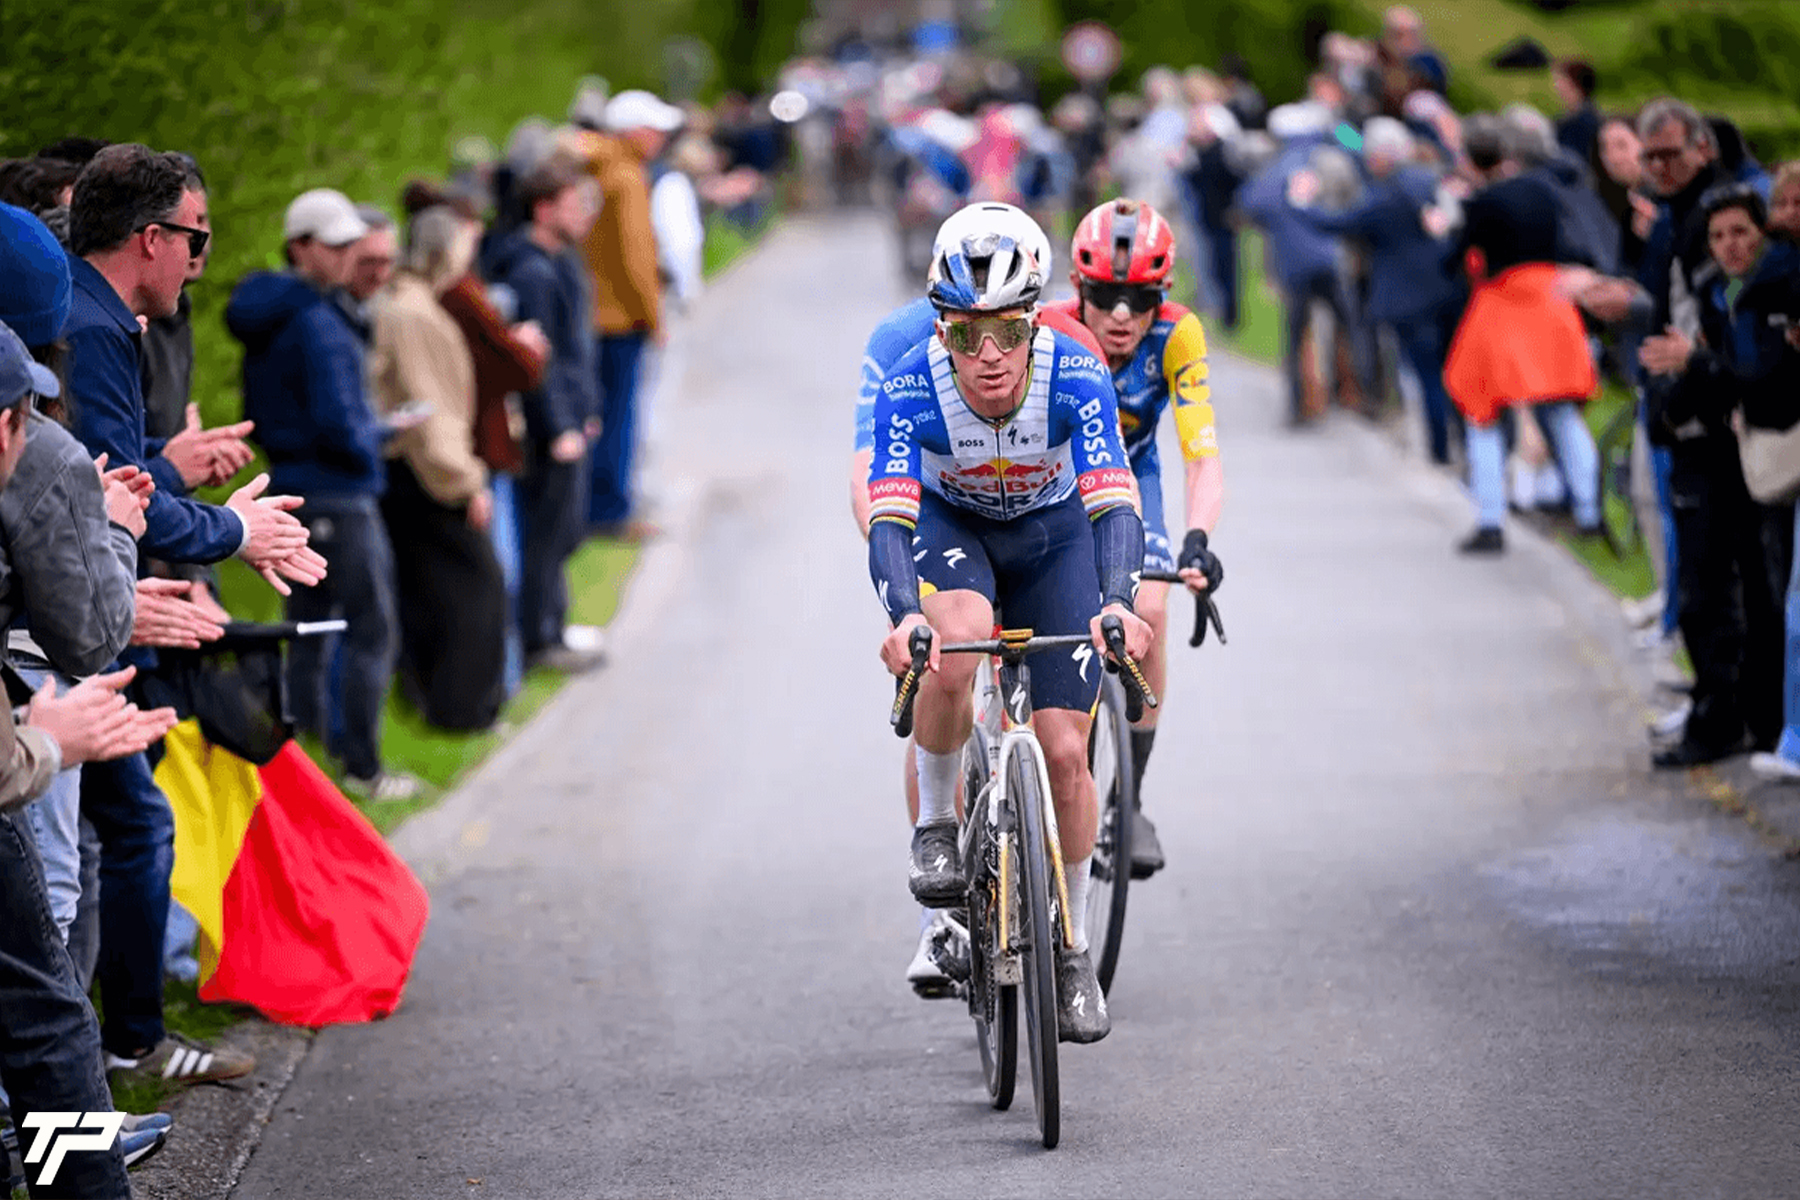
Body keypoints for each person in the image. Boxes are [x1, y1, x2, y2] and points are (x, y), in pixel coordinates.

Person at [65, 144, 323, 1088]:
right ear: (151, 237)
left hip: (82, 608)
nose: (201, 262)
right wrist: (234, 531)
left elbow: (119, 481)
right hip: (62, 625)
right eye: (196, 239)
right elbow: (106, 495)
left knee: (101, 836)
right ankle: (105, 1056)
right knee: (103, 840)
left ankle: (95, 1055)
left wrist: (177, 480)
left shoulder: (93, 317)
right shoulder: (93, 326)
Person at [867, 216, 1152, 1044]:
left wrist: (1118, 601)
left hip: (1054, 537)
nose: (989, 354)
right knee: (954, 646)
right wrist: (904, 615)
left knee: (1065, 752)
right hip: (954, 529)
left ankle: (1072, 949)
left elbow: (1114, 504)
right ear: (941, 331)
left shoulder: (1077, 374)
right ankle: (936, 826)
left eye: (1008, 331)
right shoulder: (910, 387)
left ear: (1035, 322)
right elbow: (890, 520)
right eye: (967, 333)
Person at [1043, 198, 1223, 878]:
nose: (1121, 315)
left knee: (1150, 609)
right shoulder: (1051, 328)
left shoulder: (1178, 334)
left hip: (1132, 473)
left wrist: (1198, 538)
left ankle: (1130, 800)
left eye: (1141, 298)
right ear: (1078, 288)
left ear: (1162, 296)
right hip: (1053, 479)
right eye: (1105, 296)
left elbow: (1201, 455)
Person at [226, 187, 415, 802]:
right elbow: (339, 420)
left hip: (295, 488)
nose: (345, 256)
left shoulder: (282, 311)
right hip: (339, 492)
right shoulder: (316, 319)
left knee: (308, 628)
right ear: (300, 247)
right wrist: (376, 440)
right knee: (369, 627)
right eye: (334, 246)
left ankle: (303, 767)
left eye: (349, 244)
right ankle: (362, 767)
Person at [1640, 185, 1797, 767]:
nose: (1730, 246)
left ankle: (1761, 723)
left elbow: (1756, 379)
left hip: (1766, 457)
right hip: (1723, 451)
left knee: (1762, 596)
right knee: (1722, 590)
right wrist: (1672, 409)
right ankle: (1747, 719)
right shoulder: (1719, 291)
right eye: (1718, 237)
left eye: (1741, 233)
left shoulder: (1774, 289)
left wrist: (1699, 364)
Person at [369, 206, 507, 731]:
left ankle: (432, 702)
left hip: (408, 468)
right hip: (425, 472)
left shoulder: (405, 305)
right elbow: (432, 409)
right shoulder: (414, 314)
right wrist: (466, 481)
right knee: (474, 590)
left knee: (430, 590)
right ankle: (463, 710)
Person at [488, 153, 605, 671]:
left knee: (564, 530)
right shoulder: (530, 271)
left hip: (572, 419)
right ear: (543, 209)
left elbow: (574, 351)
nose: (584, 213)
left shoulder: (558, 261)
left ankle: (555, 625)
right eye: (573, 204)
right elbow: (540, 361)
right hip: (549, 431)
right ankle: (540, 639)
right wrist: (559, 425)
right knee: (546, 534)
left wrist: (586, 409)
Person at [1288, 118, 1460, 463]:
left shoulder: (1385, 197)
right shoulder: (1427, 181)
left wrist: (1301, 203)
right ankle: (1458, 440)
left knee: (1421, 373)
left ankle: (1437, 448)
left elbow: (1337, 223)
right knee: (1448, 369)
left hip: (1407, 298)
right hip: (1446, 287)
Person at [581, 90, 680, 536]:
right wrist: (654, 315)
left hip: (595, 313)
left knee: (601, 413)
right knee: (620, 417)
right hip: (622, 317)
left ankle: (598, 504)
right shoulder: (628, 177)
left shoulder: (599, 170)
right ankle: (612, 510)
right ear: (633, 132)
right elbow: (636, 256)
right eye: (653, 129)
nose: (660, 138)